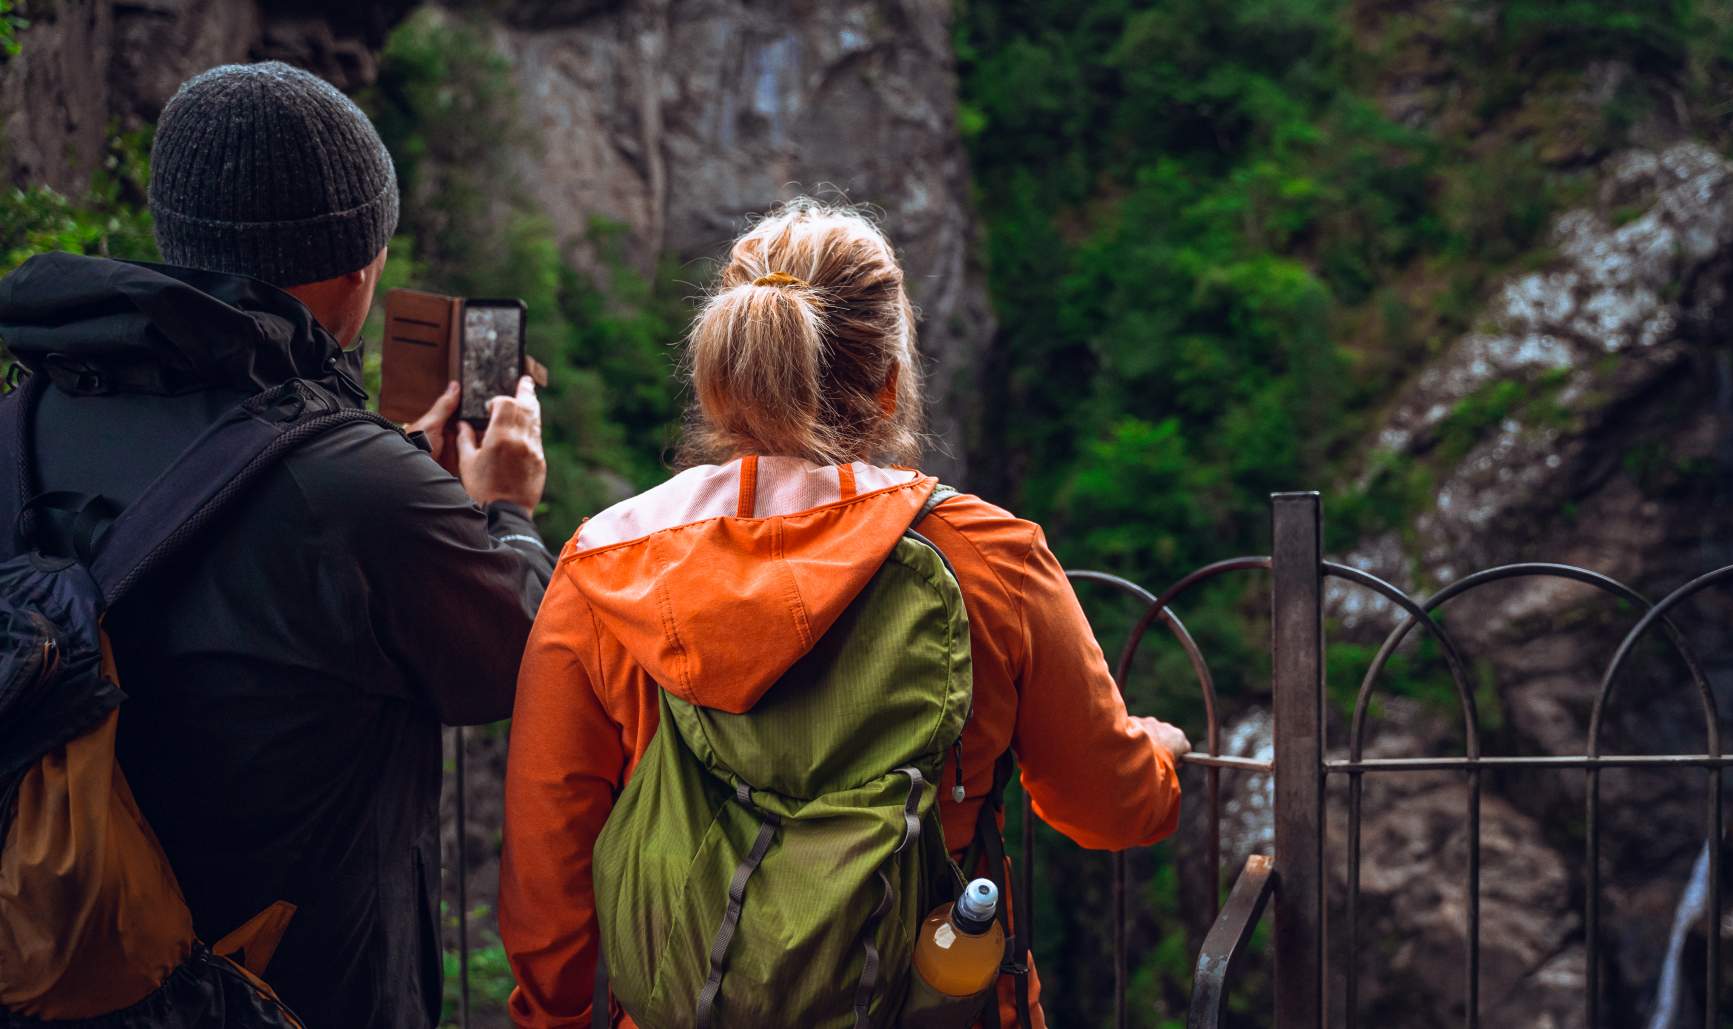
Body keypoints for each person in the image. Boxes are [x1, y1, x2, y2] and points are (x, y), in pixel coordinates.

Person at [498, 198, 1190, 1027]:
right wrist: (1157, 754)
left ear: (725, 379)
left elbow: (547, 880)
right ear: (891, 381)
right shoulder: (992, 558)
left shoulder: (603, 569)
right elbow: (1107, 807)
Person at [0, 62, 553, 1027]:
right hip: (283, 995)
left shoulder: (21, 421)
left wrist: (392, 470)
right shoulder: (357, 494)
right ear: (355, 264)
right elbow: (522, 658)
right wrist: (504, 508)